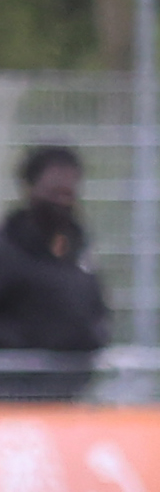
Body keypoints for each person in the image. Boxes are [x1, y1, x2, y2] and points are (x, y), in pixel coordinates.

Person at [0, 143, 108, 402]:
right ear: (30, 188)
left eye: (68, 192)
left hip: (71, 386)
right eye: (53, 191)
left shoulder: (79, 248)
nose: (62, 200)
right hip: (15, 388)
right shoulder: (9, 249)